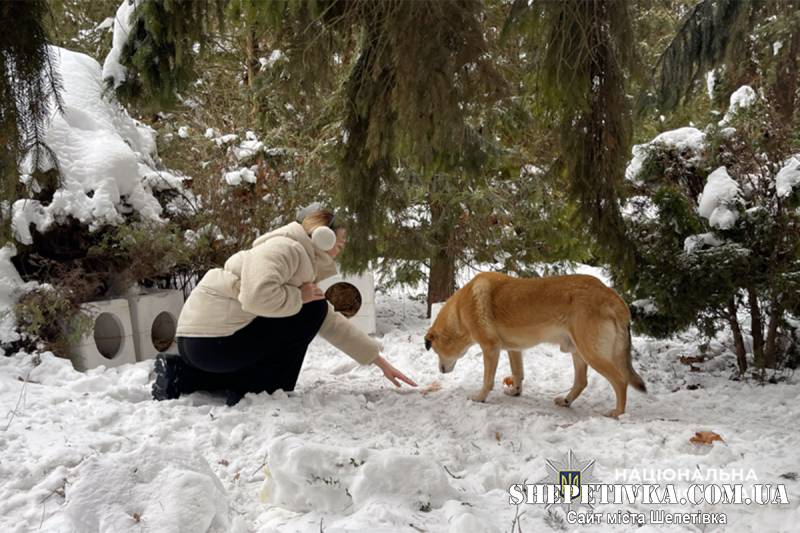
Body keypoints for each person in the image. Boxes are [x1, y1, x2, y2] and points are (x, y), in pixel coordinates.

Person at [152, 208, 416, 405]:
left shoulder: (299, 255)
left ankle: (184, 376)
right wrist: (299, 297)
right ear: (323, 236)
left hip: (203, 347)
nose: (341, 249)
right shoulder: (285, 248)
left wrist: (377, 360)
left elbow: (329, 322)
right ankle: (262, 388)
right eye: (340, 242)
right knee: (310, 309)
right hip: (213, 343)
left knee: (312, 308)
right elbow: (256, 297)